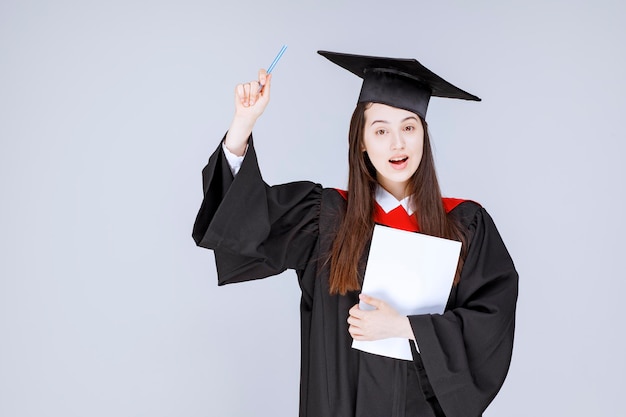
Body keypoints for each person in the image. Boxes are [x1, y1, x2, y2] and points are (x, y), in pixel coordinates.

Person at [193, 50, 518, 417]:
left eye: (409, 127)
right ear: (361, 142)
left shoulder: (463, 225)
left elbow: (490, 323)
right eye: (381, 130)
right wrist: (243, 124)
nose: (398, 144)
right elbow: (244, 227)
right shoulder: (326, 219)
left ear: (423, 136)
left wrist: (406, 327)